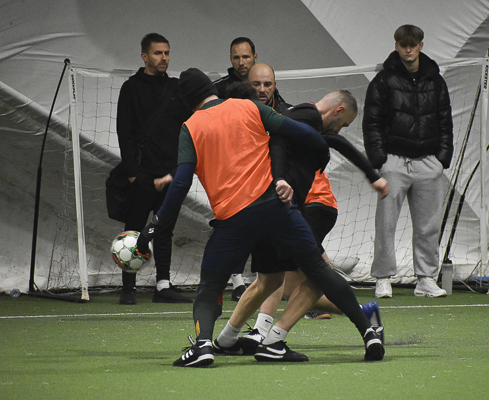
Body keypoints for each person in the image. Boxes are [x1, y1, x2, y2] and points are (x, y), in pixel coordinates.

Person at [136, 68, 384, 367]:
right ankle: (368, 332)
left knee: (211, 286)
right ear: (211, 89)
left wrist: (157, 224)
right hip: (274, 208)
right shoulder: (248, 107)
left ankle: (204, 346)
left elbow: (181, 184)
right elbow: (297, 131)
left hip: (232, 219)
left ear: (187, 100)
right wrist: (321, 150)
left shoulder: (190, 127)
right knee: (317, 270)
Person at [229, 72, 387, 347]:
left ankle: (265, 335)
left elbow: (330, 143)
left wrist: (372, 176)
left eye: (267, 84)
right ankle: (363, 313)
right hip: (296, 208)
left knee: (295, 273)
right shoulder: (296, 118)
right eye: (257, 85)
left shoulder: (303, 118)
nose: (262, 90)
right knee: (293, 283)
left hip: (315, 206)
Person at [363, 24, 453, 298]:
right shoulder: (382, 80)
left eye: (413, 44)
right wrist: (380, 160)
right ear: (396, 46)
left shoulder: (435, 80)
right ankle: (383, 278)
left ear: (421, 46)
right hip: (394, 161)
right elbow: (371, 122)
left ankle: (426, 279)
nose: (408, 49)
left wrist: (441, 159)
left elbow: (445, 121)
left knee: (429, 225)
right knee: (386, 224)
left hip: (428, 162)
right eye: (404, 44)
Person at [115, 33, 193, 305]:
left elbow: (187, 130)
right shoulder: (131, 88)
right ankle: (128, 288)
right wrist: (132, 173)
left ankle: (163, 285)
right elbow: (124, 132)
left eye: (167, 53)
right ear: (144, 56)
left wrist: (178, 170)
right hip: (142, 174)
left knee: (164, 231)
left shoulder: (176, 88)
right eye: (158, 53)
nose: (164, 58)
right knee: (133, 231)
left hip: (170, 173)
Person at [213, 37, 258, 300]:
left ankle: (265, 280)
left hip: (257, 166)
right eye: (236, 57)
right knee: (230, 222)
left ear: (254, 57)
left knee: (258, 223)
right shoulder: (219, 89)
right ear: (231, 59)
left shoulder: (262, 84)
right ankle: (236, 280)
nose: (241, 62)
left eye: (246, 57)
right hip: (228, 168)